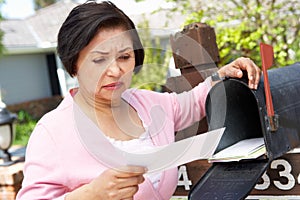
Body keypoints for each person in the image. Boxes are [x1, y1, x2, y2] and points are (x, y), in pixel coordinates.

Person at [16, 1, 261, 200]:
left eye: (124, 56)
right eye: (99, 60)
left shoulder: (147, 104)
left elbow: (193, 102)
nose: (115, 70)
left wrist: (222, 75)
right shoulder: (53, 132)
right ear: (73, 65)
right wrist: (92, 195)